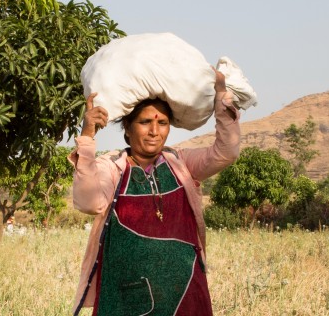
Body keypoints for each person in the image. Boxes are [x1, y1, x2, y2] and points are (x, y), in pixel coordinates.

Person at [70, 71, 240, 315]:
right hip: (128, 297)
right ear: (127, 128)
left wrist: (221, 97)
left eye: (162, 123)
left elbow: (226, 152)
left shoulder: (180, 163)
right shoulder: (113, 166)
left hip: (185, 292)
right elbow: (90, 202)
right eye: (145, 122)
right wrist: (87, 137)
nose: (154, 131)